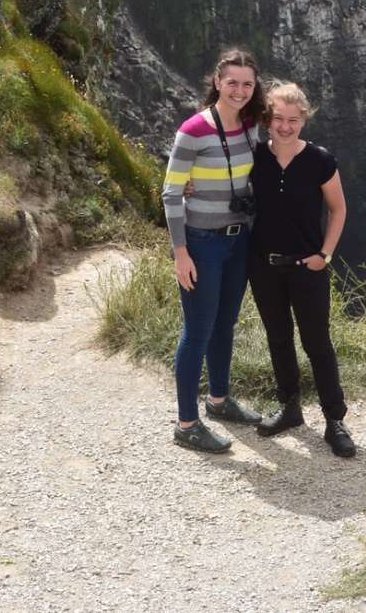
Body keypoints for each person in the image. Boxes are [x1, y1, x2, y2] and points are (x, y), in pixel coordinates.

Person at [161, 48, 266, 453]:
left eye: (247, 83)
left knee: (225, 324)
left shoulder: (251, 126)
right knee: (198, 331)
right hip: (202, 244)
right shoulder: (194, 129)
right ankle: (187, 424)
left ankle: (218, 401)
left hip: (239, 240)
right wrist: (180, 252)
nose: (239, 90)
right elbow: (171, 192)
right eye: (232, 82)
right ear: (217, 83)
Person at [246, 83, 356, 458]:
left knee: (317, 344)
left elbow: (338, 210)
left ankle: (334, 420)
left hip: (308, 268)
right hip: (263, 267)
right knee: (278, 338)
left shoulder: (320, 161)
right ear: (266, 119)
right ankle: (290, 409)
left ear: (304, 119)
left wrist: (324, 255)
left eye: (293, 119)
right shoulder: (254, 157)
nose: (285, 126)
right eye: (278, 118)